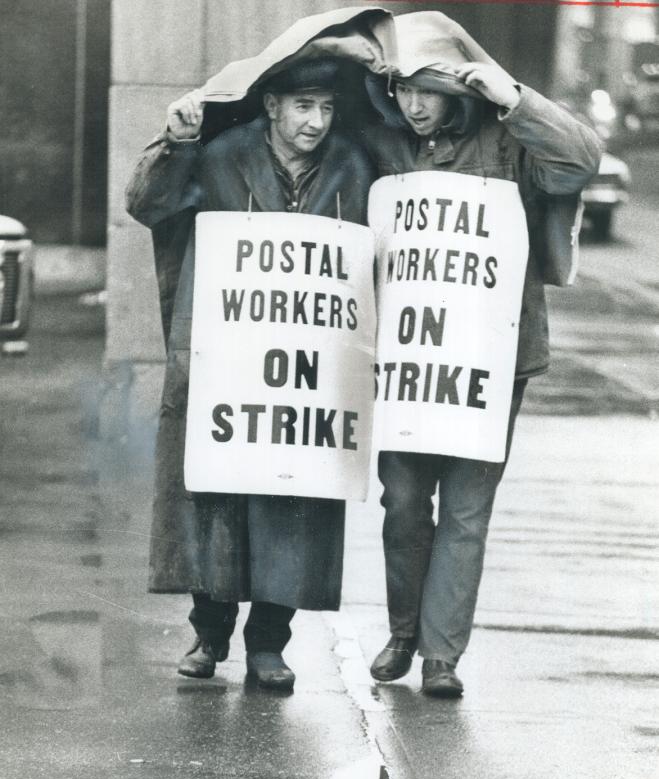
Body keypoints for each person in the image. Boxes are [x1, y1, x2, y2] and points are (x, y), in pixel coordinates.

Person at [363, 12, 601, 698]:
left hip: (492, 358)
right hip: (408, 358)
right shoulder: (386, 144)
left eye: (427, 89)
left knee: (466, 506)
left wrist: (514, 97)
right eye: (403, 90)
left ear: (459, 88)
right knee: (404, 501)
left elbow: (578, 160)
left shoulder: (510, 140)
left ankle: (441, 656)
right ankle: (403, 631)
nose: (412, 104)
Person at [126, 59, 375, 690]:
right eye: (302, 107)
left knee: (294, 500)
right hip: (226, 359)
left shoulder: (354, 166)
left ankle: (270, 643)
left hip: (308, 371)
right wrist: (176, 144)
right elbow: (147, 204)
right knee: (217, 492)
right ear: (270, 106)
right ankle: (209, 632)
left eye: (325, 109)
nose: (316, 122)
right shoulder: (219, 156)